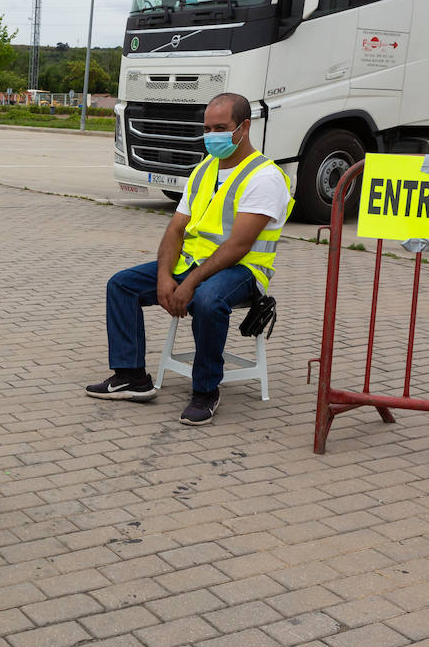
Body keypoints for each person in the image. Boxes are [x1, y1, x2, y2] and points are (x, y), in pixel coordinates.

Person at [85, 92, 292, 426]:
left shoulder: (264, 177)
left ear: (244, 127)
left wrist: (190, 283)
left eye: (220, 128)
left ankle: (206, 390)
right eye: (207, 128)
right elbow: (176, 229)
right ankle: (131, 377)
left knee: (209, 301)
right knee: (121, 285)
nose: (212, 136)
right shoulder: (204, 169)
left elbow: (238, 246)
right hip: (194, 263)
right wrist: (166, 277)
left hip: (243, 270)